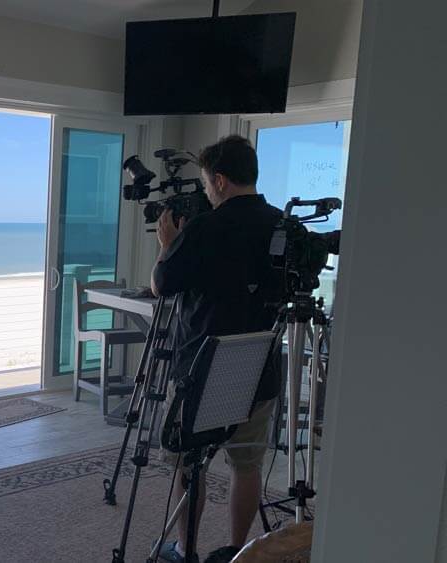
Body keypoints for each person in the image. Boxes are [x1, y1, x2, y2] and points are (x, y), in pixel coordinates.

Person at [151, 136, 284, 562]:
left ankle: (184, 549)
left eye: (208, 183)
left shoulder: (206, 227)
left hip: (203, 369)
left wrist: (167, 245)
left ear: (221, 180)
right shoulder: (283, 225)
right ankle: (237, 550)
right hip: (260, 364)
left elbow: (162, 285)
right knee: (247, 465)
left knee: (189, 463)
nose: (207, 192)